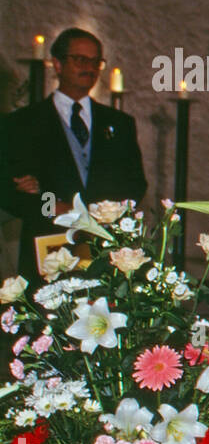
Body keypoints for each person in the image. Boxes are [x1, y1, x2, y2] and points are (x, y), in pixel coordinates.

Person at [0, 28, 146, 280]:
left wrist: (100, 213)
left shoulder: (119, 123)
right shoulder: (21, 123)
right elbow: (9, 190)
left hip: (104, 249)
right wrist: (52, 206)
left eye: (95, 61)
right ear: (57, 64)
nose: (88, 68)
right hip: (47, 250)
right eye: (80, 59)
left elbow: (135, 183)